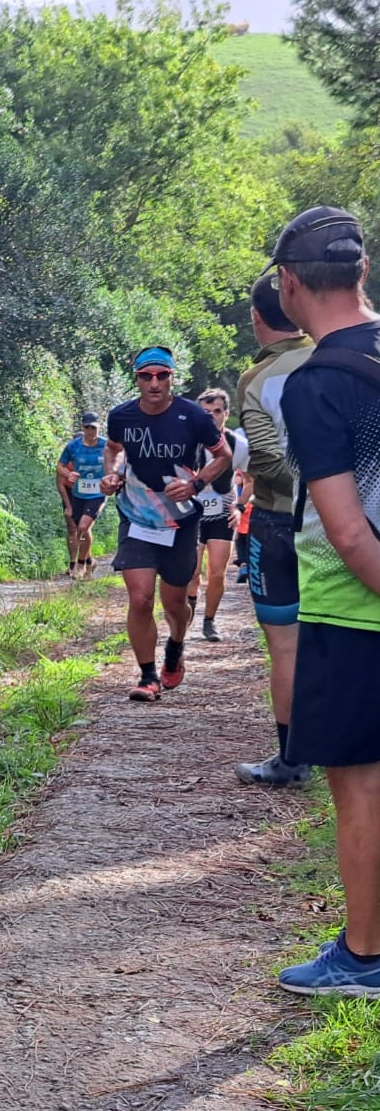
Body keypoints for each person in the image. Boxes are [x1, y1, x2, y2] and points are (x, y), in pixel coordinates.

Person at [267, 207, 380, 996]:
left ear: (290, 283)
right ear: (363, 273)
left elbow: (347, 532)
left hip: (354, 608)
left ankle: (364, 955)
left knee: (362, 785)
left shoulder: (317, 384)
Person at [101, 346, 231, 701]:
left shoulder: (194, 416)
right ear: (137, 379)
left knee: (175, 604)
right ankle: (147, 676)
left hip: (180, 521)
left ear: (173, 377)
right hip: (136, 516)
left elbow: (223, 456)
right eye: (147, 376)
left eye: (162, 375)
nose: (154, 383)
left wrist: (195, 484)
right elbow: (113, 449)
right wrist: (111, 475)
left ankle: (176, 646)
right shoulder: (122, 416)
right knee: (140, 598)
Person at [233, 273, 314, 787]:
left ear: (258, 318)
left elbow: (263, 455)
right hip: (348, 519)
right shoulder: (341, 355)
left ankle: (292, 760)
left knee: (285, 644)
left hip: (276, 520)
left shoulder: (257, 379)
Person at [187, 388, 247, 642]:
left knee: (217, 572)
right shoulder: (187, 442)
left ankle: (209, 621)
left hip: (223, 512)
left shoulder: (239, 445)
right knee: (191, 571)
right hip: (192, 512)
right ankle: (187, 614)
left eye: (217, 411)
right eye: (205, 412)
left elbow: (252, 481)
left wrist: (239, 507)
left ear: (226, 414)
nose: (211, 416)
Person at [56, 412, 107, 579]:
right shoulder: (73, 446)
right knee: (79, 528)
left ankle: (80, 564)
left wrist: (113, 476)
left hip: (98, 493)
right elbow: (60, 466)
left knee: (84, 526)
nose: (91, 431)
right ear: (83, 428)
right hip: (78, 493)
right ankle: (90, 561)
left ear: (99, 427)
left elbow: (120, 462)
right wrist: (67, 474)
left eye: (94, 427)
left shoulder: (107, 445)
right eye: (87, 427)